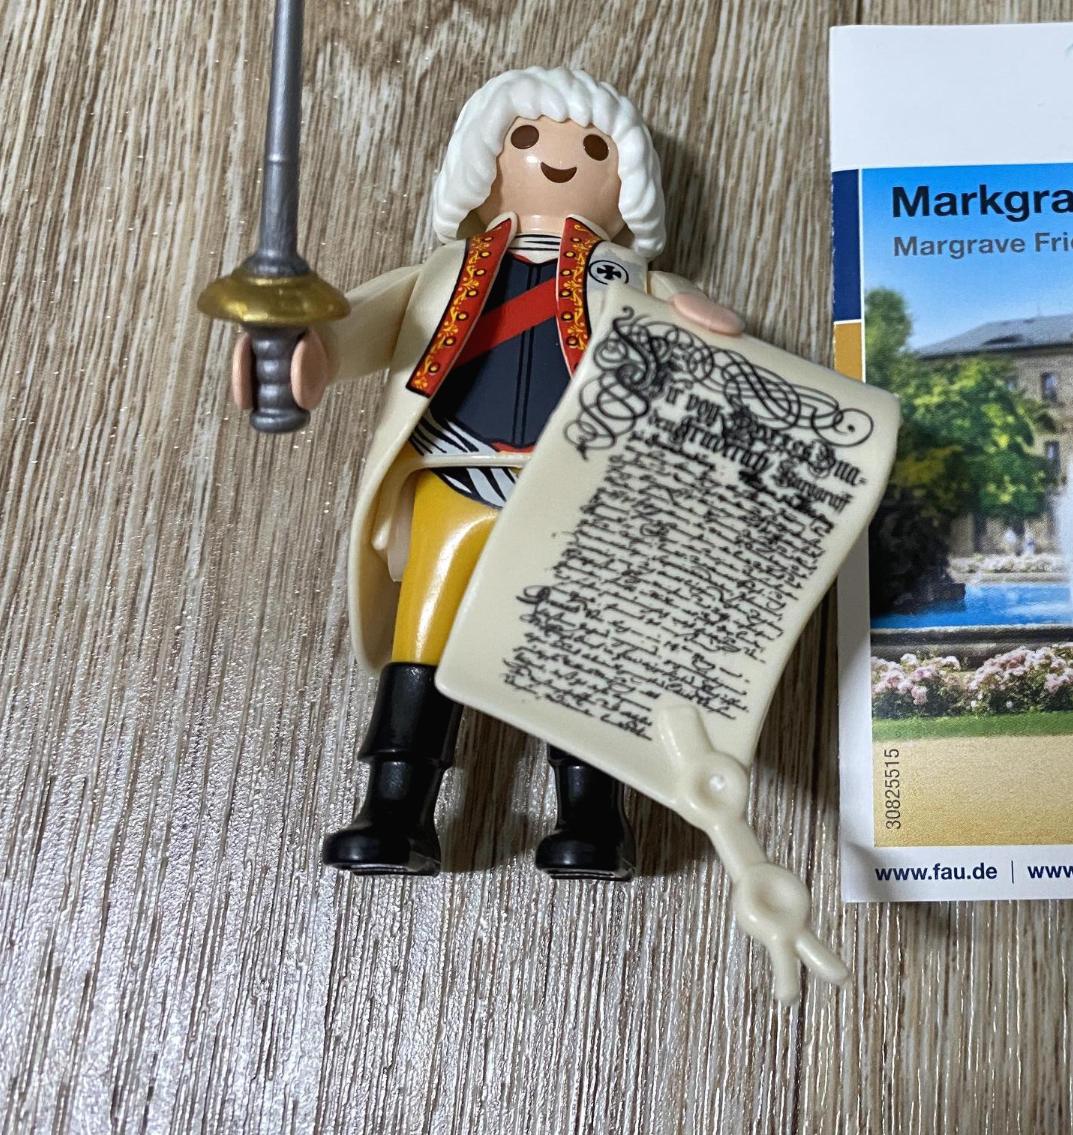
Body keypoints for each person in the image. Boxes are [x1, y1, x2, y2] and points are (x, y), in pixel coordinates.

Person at [232, 66, 741, 876]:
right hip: (455, 475)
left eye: (596, 149)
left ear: (628, 180)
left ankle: (594, 816)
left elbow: (706, 354)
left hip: (578, 491)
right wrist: (302, 352)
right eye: (528, 137)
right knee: (423, 640)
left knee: (579, 649)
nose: (562, 158)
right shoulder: (445, 271)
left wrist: (711, 332)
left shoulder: (630, 279)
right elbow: (357, 325)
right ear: (485, 157)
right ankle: (395, 806)